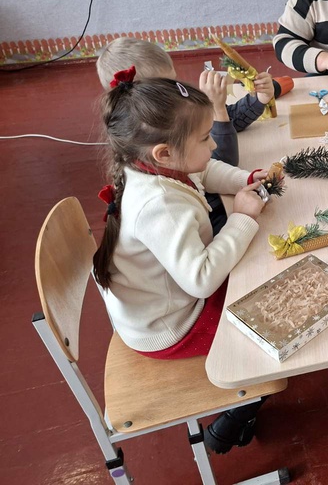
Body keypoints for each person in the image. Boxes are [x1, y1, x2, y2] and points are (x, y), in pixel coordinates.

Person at [92, 76, 274, 453]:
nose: (213, 145)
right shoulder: (159, 205)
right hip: (172, 327)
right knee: (272, 328)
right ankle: (235, 418)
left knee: (260, 274)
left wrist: (245, 178)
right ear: (164, 153)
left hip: (169, 302)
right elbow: (201, 280)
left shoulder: (152, 165)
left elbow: (204, 171)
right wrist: (243, 218)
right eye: (205, 138)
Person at [96, 37, 293, 234]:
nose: (175, 91)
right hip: (211, 219)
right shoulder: (162, 205)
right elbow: (214, 159)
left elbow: (206, 166)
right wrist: (217, 108)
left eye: (174, 82)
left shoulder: (170, 114)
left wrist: (258, 100)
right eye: (166, 88)